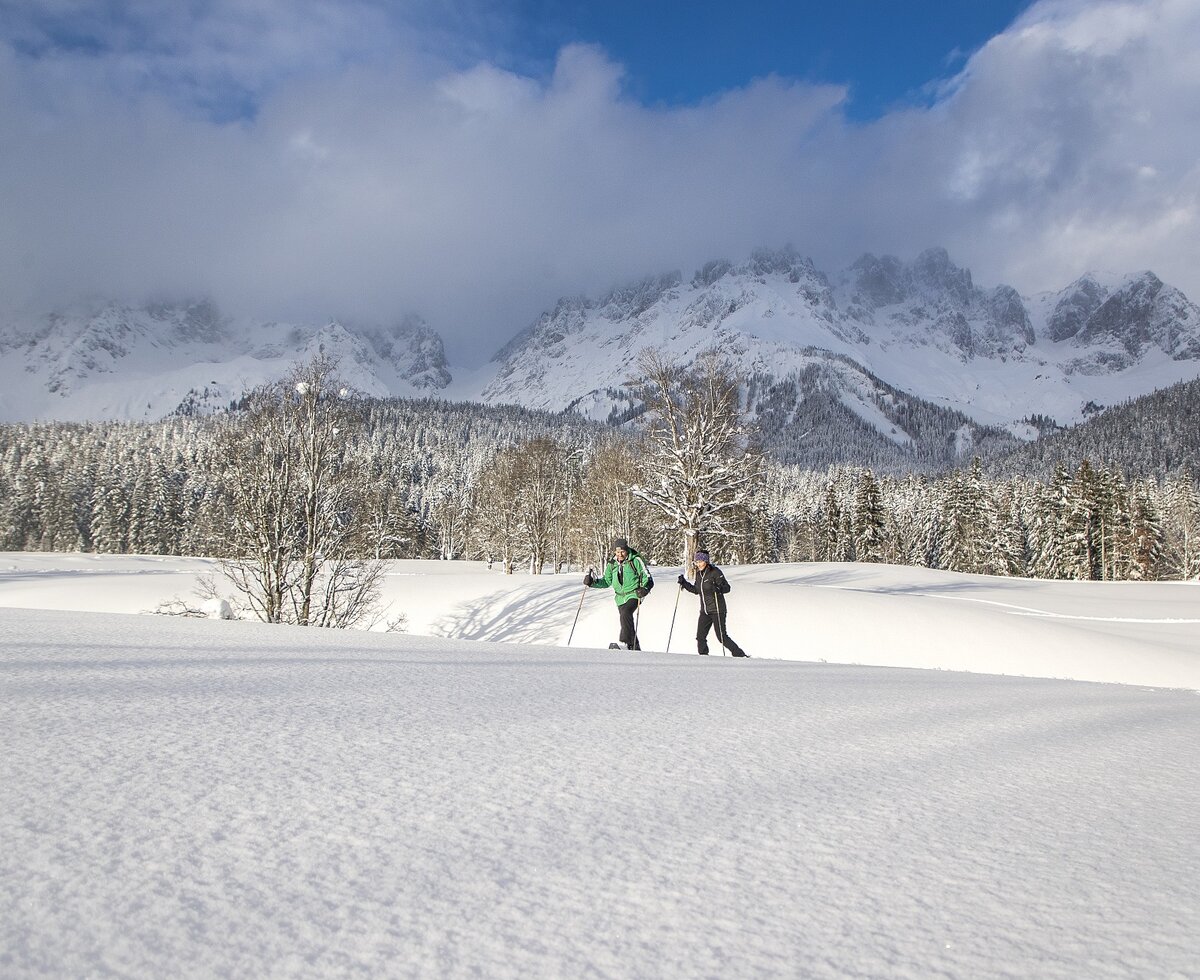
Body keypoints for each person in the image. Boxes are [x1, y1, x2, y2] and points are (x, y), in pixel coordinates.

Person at [677, 551, 749, 657]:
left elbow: (727, 588)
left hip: (717, 610)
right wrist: (684, 583)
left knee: (721, 637)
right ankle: (703, 657)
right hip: (705, 611)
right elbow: (696, 590)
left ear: (706, 561)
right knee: (700, 637)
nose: (698, 564)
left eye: (700, 561)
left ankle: (740, 655)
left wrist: (718, 588)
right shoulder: (699, 575)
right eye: (696, 562)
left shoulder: (715, 572)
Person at [585, 537, 653, 650]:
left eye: (622, 551)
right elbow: (606, 581)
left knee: (626, 613)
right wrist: (592, 582)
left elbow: (648, 578)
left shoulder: (635, 560)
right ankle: (635, 647)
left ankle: (626, 641)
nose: (620, 554)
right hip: (620, 598)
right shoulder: (612, 563)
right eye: (617, 552)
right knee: (626, 620)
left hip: (634, 594)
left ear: (626, 550)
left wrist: (645, 588)